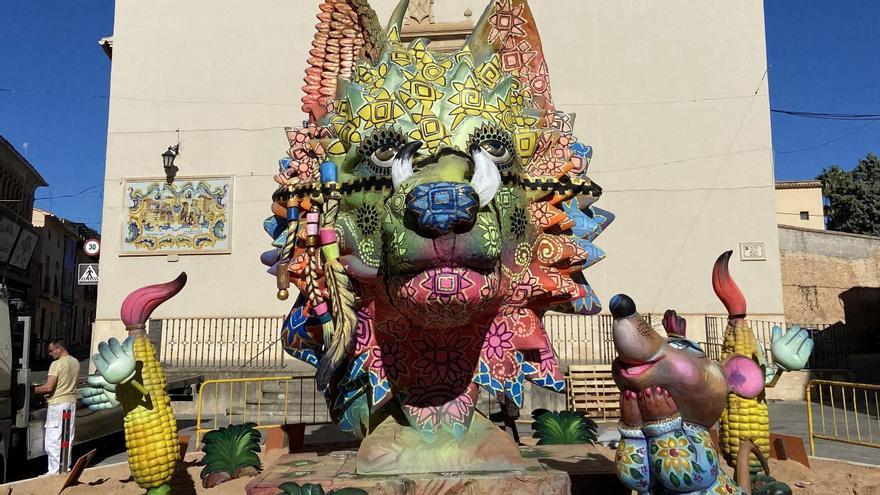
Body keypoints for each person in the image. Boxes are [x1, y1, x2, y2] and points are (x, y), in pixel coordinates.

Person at [34, 338, 80, 474]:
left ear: (59, 348)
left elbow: (48, 387)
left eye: (51, 350)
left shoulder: (57, 364)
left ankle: (54, 471)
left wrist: (30, 390)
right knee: (66, 438)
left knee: (52, 440)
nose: (50, 354)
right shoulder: (75, 362)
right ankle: (65, 468)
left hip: (57, 405)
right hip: (71, 403)